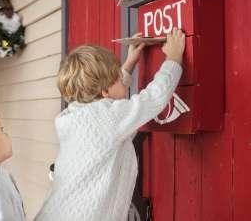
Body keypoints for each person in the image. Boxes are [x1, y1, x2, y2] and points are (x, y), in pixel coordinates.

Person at [35, 28, 185, 221]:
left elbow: (109, 95)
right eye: (117, 76)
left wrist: (130, 63)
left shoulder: (74, 115)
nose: (121, 78)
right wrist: (173, 60)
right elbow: (153, 98)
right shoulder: (108, 118)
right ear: (105, 91)